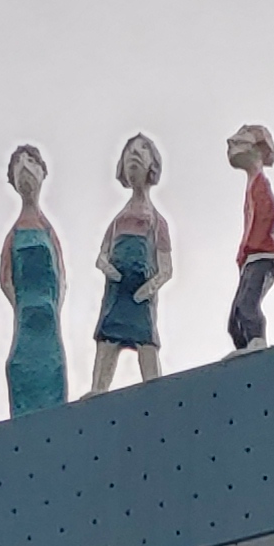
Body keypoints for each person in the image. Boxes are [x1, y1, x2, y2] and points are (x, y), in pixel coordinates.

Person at [89, 134, 172, 393]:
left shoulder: (157, 221)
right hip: (116, 292)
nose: (134, 154)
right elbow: (102, 255)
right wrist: (109, 269)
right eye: (130, 151)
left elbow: (166, 268)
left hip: (141, 295)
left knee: (146, 342)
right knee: (107, 340)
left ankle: (155, 391)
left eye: (142, 150)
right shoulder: (117, 221)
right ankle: (98, 389)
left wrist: (149, 288)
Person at [0, 144, 69, 415]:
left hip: (48, 312)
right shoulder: (14, 233)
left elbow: (61, 274)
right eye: (18, 164)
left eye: (30, 161)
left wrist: (54, 305)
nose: (25, 167)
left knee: (52, 362)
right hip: (25, 312)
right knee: (19, 363)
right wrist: (18, 305)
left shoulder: (48, 230)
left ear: (42, 172)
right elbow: (5, 277)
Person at [224, 124, 274, 352]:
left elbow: (270, 213)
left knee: (247, 303)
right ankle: (244, 345)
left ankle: (256, 339)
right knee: (236, 315)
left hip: (263, 253)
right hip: (252, 255)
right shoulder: (252, 184)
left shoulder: (260, 183)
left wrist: (254, 243)